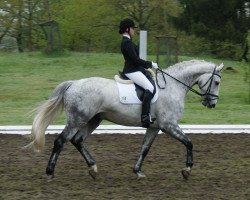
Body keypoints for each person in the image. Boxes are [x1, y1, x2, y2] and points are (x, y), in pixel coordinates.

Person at [118, 18, 159, 128]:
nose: (133, 30)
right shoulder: (126, 43)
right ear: (127, 29)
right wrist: (150, 64)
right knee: (149, 88)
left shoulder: (128, 42)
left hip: (135, 69)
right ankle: (145, 117)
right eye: (132, 28)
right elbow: (136, 60)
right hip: (131, 71)